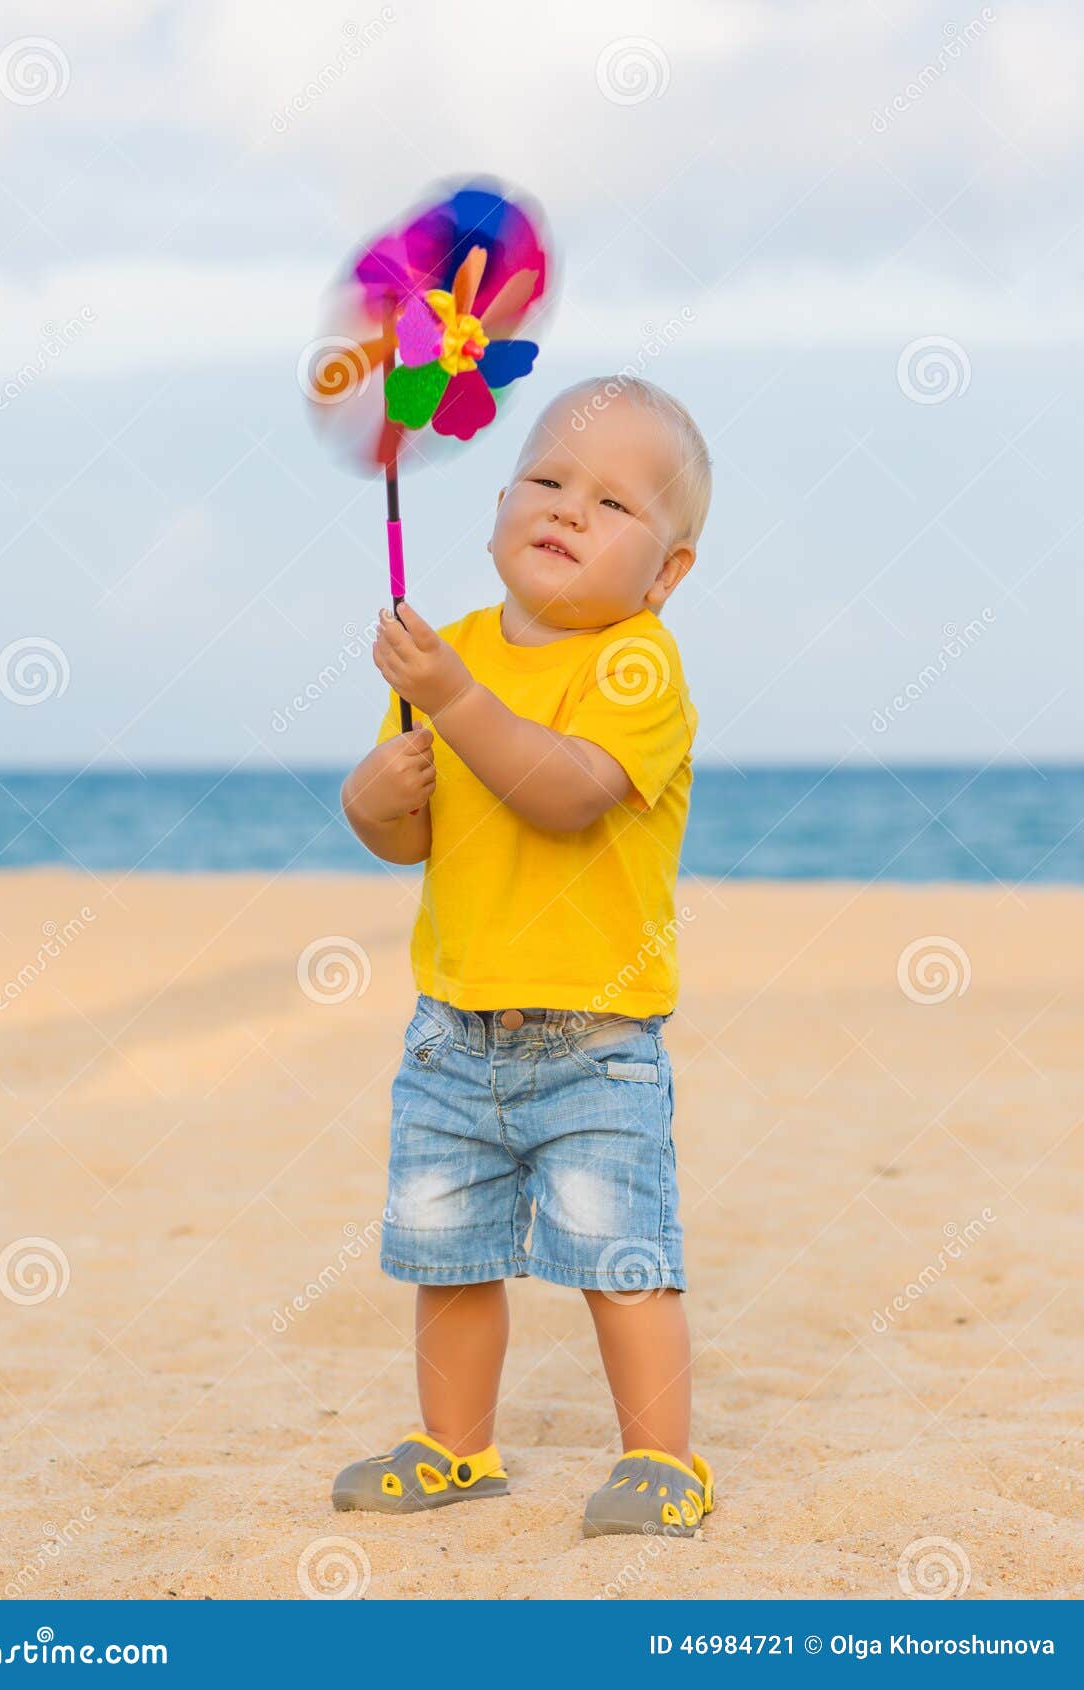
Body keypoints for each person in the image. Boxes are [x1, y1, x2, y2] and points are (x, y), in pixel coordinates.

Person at [334, 375, 714, 1538]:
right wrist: (374, 794)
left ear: (665, 572)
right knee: (447, 1255)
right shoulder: (445, 651)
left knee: (621, 1256)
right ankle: (457, 1446)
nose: (566, 509)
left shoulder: (636, 668)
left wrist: (450, 700)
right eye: (546, 482)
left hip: (595, 1038)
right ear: (498, 502)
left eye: (610, 502)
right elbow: (412, 838)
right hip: (454, 1030)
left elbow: (563, 794)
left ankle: (663, 1460)